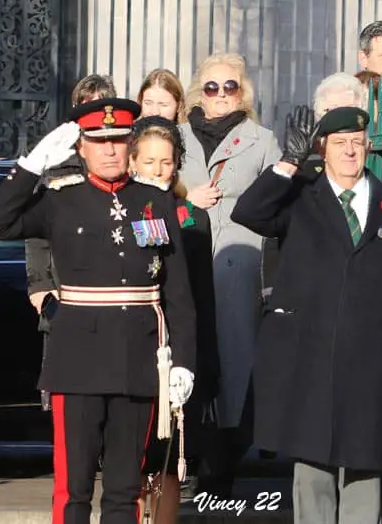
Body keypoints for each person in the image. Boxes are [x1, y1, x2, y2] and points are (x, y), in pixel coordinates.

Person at [0, 98, 197, 524]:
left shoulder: (155, 199)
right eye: (99, 141)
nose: (110, 149)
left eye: (118, 140)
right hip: (77, 360)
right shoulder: (61, 198)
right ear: (82, 147)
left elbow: (178, 292)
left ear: (131, 144)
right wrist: (31, 166)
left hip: (139, 358)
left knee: (125, 488)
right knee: (73, 489)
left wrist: (183, 362)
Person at [232, 106, 382, 524]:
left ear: (368, 145)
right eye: (339, 143)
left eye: (357, 142)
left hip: (372, 359)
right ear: (323, 148)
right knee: (312, 467)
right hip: (309, 355)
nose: (350, 151)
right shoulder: (301, 197)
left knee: (364, 467)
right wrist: (287, 164)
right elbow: (248, 212)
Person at [178, 52, 281, 496]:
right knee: (188, 357)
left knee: (237, 364)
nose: (220, 95)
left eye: (230, 86)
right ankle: (188, 454)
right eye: (211, 87)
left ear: (244, 92)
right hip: (186, 263)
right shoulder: (175, 138)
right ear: (198, 91)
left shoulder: (262, 140)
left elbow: (278, 205)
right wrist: (186, 195)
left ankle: (225, 460)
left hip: (239, 268)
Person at [128, 115, 218, 523]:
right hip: (130, 343)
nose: (158, 171)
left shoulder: (191, 217)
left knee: (166, 457)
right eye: (149, 162)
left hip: (174, 347)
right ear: (132, 163)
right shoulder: (118, 212)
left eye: (166, 162)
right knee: (128, 457)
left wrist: (197, 361)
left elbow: (197, 295)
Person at [26, 74, 118, 411]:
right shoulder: (55, 158)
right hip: (64, 292)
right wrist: (40, 287)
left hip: (110, 294)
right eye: (85, 104)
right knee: (66, 394)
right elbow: (36, 230)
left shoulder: (122, 157)